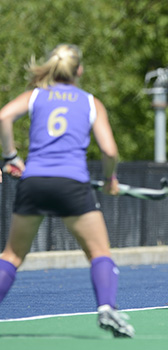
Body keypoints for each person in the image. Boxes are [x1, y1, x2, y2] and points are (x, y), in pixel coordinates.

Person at [0, 44, 135, 337]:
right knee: (99, 252)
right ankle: (107, 308)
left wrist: (11, 157)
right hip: (72, 184)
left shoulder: (35, 96)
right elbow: (110, 150)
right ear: (80, 70)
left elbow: (3, 117)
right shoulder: (90, 102)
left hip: (33, 182)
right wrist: (110, 179)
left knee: (11, 256)